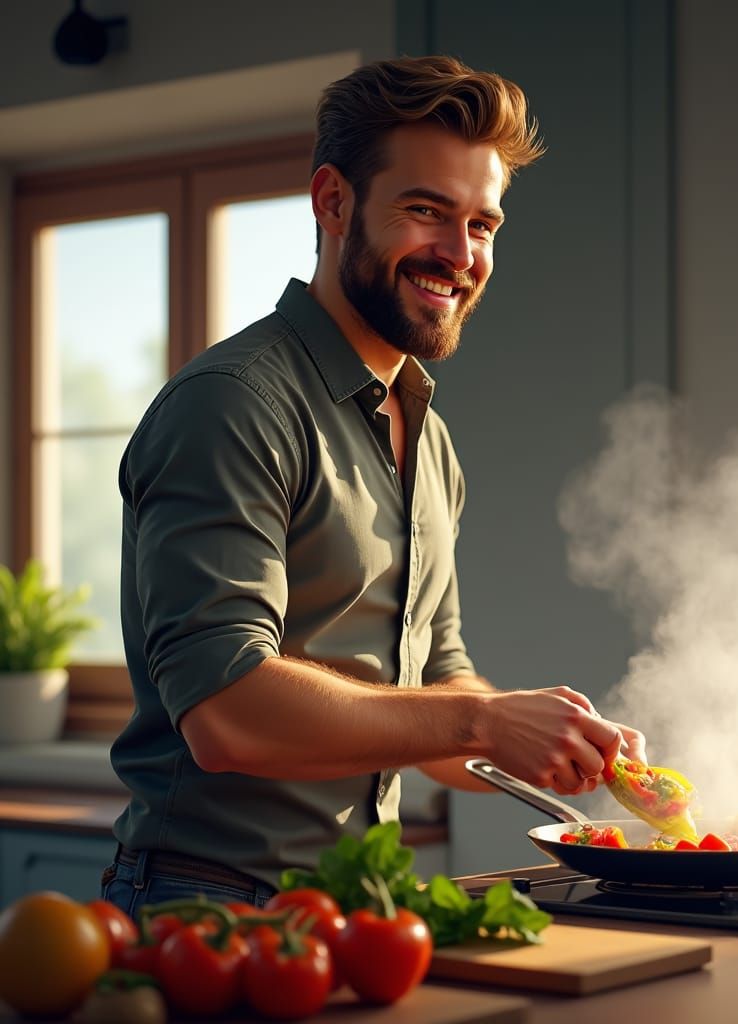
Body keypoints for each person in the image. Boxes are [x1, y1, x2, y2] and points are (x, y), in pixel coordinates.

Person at [102, 55, 645, 916]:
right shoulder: (233, 406)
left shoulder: (429, 436)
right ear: (332, 202)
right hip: (207, 905)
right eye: (426, 212)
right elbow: (225, 711)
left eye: (484, 225)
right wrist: (485, 723)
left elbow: (437, 692)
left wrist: (550, 735)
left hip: (365, 907)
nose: (459, 255)